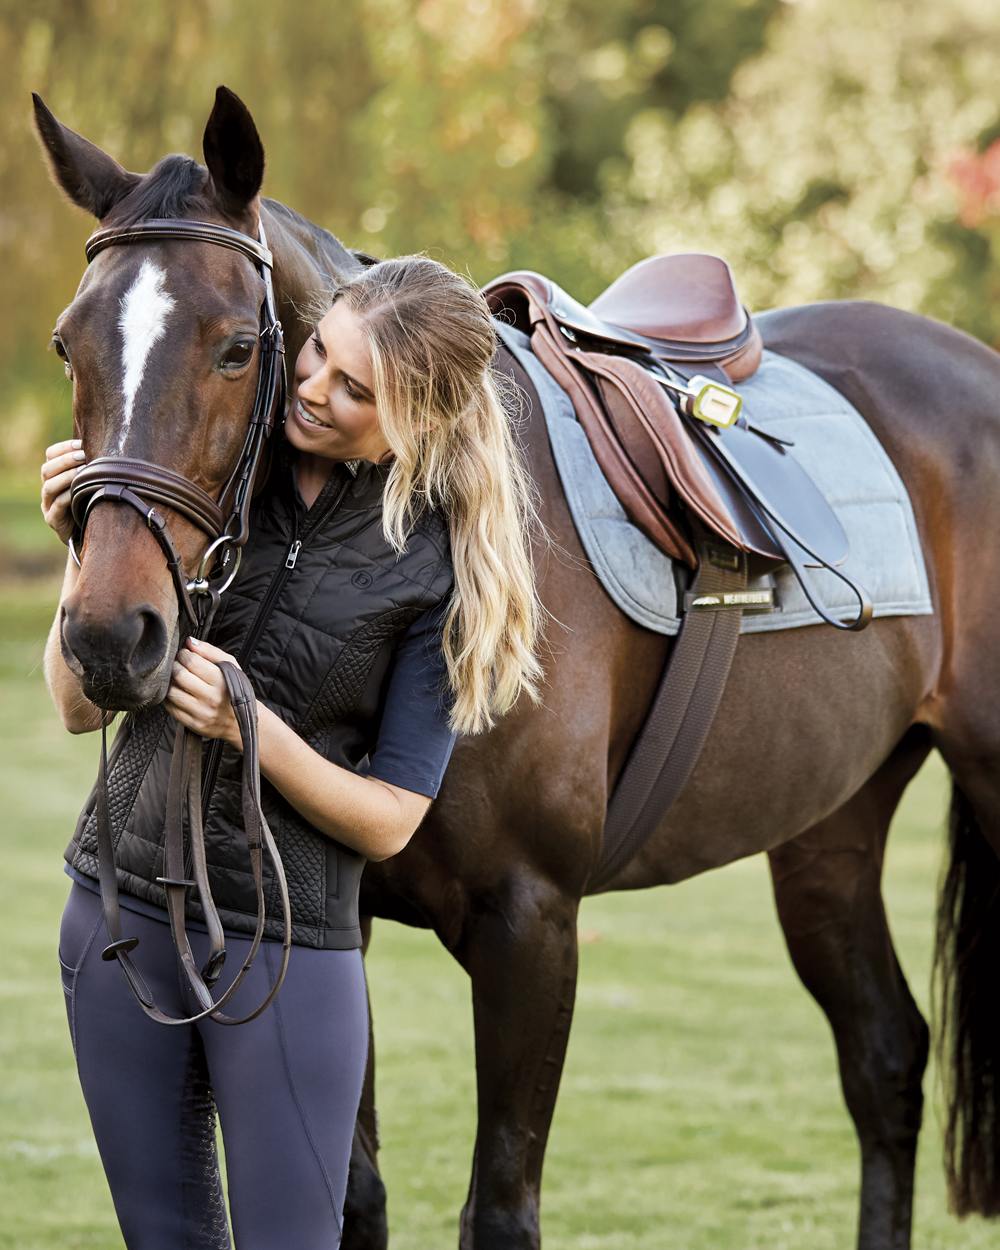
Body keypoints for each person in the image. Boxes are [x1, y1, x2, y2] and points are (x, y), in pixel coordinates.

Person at [40, 254, 547, 1250]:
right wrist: (82, 550)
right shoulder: (220, 470)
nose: (313, 389)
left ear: (419, 421)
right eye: (318, 353)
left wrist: (251, 727)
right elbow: (71, 708)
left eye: (356, 389)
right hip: (115, 919)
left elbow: (393, 815)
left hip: (287, 954)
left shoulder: (438, 570)